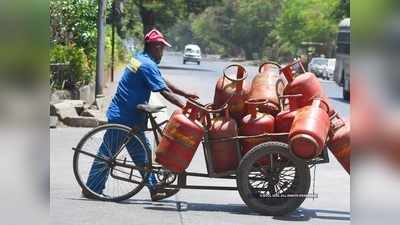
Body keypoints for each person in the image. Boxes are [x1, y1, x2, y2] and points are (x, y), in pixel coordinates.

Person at [83, 28, 198, 201]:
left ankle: (154, 188)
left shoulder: (140, 59)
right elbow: (164, 91)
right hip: (123, 116)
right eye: (161, 48)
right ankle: (92, 188)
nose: (162, 52)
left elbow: (162, 81)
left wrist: (184, 94)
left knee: (142, 154)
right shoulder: (146, 65)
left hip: (132, 116)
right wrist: (185, 107)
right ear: (154, 47)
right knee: (108, 154)